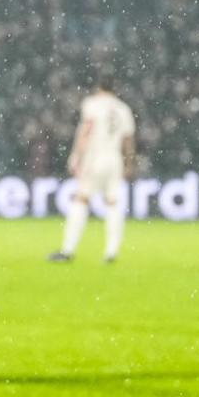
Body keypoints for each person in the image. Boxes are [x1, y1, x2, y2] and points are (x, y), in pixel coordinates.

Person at [49, 80, 136, 263]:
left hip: (95, 157)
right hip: (115, 159)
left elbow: (85, 131)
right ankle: (111, 252)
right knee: (112, 203)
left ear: (99, 89)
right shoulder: (123, 109)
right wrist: (129, 164)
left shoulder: (92, 104)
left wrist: (76, 156)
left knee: (81, 199)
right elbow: (128, 140)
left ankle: (67, 250)